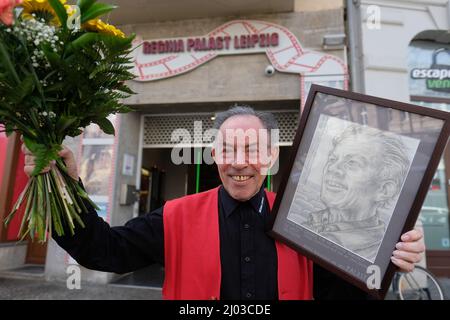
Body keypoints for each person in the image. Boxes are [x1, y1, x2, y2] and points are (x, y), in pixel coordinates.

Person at [23, 106, 425, 300]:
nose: (239, 162)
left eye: (251, 149)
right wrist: (66, 188)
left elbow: (344, 293)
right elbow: (103, 250)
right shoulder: (177, 215)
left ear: (270, 157)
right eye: (228, 149)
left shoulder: (307, 221)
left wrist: (388, 254)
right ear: (214, 155)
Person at [303, 125, 411, 261]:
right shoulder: (304, 223)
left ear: (383, 190)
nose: (333, 168)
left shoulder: (378, 253)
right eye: (333, 159)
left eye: (352, 163)